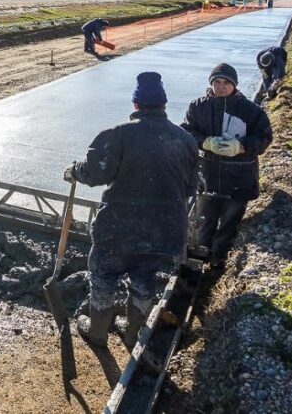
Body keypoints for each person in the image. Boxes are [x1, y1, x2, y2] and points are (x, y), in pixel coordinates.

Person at [64, 72, 198, 349]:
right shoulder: (185, 140)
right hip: (163, 232)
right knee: (145, 280)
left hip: (118, 228)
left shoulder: (117, 135)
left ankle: (98, 332)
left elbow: (93, 173)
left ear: (136, 105)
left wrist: (74, 171)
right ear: (163, 104)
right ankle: (132, 332)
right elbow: (190, 187)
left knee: (102, 278)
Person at [181, 63, 273, 269]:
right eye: (217, 82)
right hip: (208, 176)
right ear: (211, 84)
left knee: (230, 223)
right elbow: (186, 132)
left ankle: (219, 263)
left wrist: (241, 147)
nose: (221, 87)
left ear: (234, 85)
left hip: (238, 178)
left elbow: (265, 137)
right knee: (204, 221)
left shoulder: (250, 111)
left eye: (226, 83)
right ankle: (197, 262)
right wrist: (205, 142)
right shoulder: (198, 107)